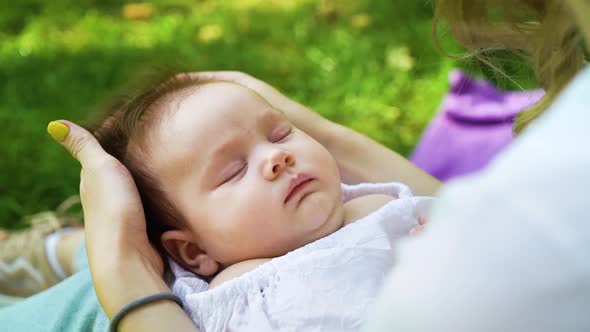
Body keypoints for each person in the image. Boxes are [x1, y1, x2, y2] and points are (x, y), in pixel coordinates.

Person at [2, 0, 589, 330]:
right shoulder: (241, 293)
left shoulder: (372, 203)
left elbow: (480, 228)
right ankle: (53, 255)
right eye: (232, 172)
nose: (278, 154)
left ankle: (60, 252)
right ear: (194, 255)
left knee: (84, 303)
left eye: (280, 133)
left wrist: (122, 266)